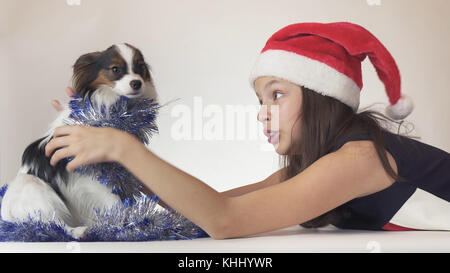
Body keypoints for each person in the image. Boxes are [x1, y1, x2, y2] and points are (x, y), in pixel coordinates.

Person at [46, 22, 450, 239]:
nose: (263, 114)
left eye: (276, 95)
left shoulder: (357, 160)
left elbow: (225, 220)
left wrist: (122, 148)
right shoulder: (314, 167)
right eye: (260, 100)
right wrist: (111, 138)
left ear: (322, 96)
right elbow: (208, 207)